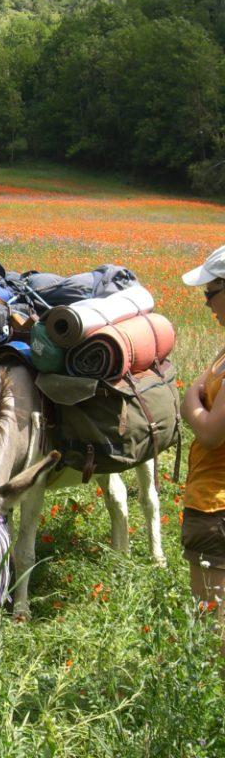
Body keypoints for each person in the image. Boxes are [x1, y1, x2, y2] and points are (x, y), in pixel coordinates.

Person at [181, 244, 225, 657]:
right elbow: (200, 380)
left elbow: (211, 432)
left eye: (211, 292)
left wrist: (189, 406)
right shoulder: (223, 350)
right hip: (212, 504)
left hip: (216, 509)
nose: (206, 303)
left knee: (213, 625)